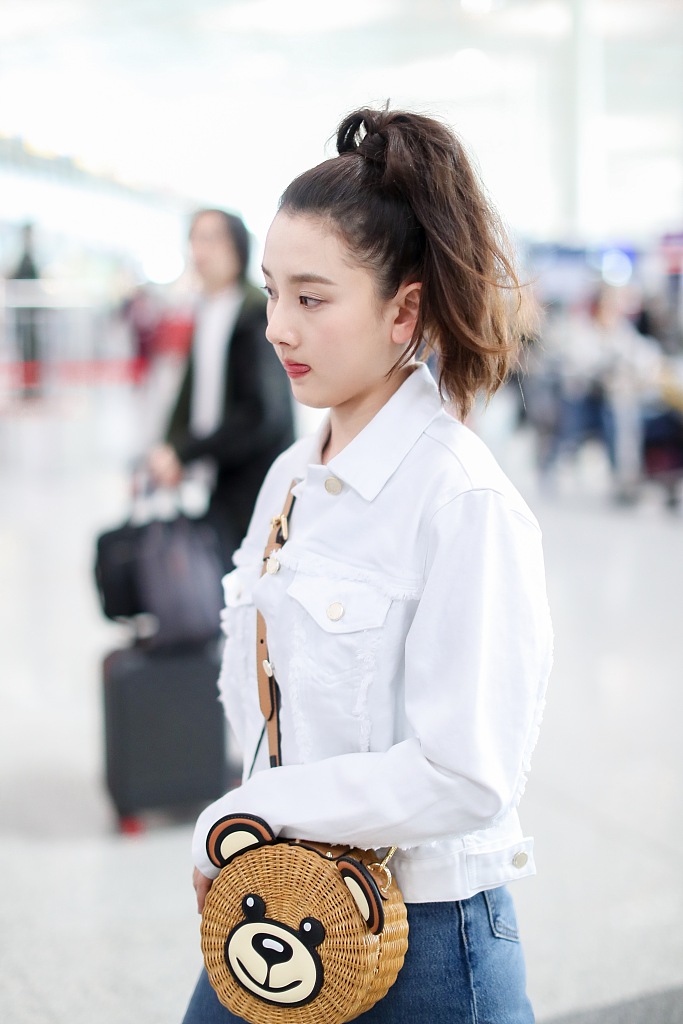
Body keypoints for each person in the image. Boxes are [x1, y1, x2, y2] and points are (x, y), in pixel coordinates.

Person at [182, 108, 553, 1023]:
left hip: (425, 944)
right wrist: (253, 823)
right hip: (278, 900)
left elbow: (467, 773)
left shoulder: (460, 499)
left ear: (403, 311)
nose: (278, 328)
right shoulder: (290, 477)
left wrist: (262, 808)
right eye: (272, 293)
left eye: (311, 299)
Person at [148, 209, 295, 570]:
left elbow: (260, 414)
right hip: (219, 475)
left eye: (211, 239)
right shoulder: (208, 310)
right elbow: (188, 393)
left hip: (253, 480)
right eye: (194, 239)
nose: (199, 250)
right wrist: (169, 449)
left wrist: (185, 453)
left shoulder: (253, 313)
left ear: (237, 248)